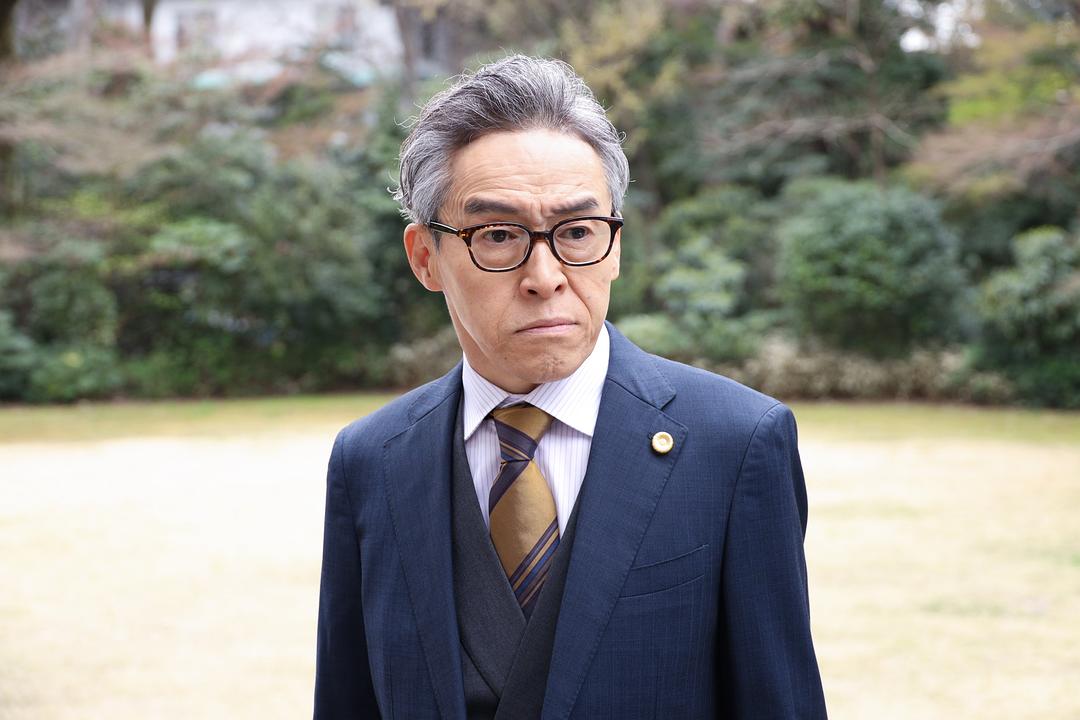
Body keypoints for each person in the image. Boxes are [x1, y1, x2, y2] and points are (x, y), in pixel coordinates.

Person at [314, 54, 827, 719]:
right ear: (424, 258)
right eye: (498, 235)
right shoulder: (372, 461)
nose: (545, 276)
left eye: (578, 232)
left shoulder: (734, 445)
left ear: (615, 247)